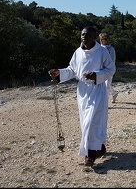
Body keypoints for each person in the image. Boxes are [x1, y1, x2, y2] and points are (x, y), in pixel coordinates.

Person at [48, 26, 116, 167]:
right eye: (83, 34)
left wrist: (96, 75)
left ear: (94, 36)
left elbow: (111, 69)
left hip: (97, 89)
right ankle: (99, 147)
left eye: (88, 34)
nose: (85, 36)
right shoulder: (78, 52)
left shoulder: (102, 51)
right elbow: (72, 70)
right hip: (83, 92)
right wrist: (59, 72)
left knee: (92, 121)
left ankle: (90, 155)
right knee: (86, 122)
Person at [99, 33, 118, 103]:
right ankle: (114, 93)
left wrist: (109, 69)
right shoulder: (98, 48)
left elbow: (112, 61)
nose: (101, 41)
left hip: (108, 70)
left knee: (107, 85)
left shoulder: (111, 49)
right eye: (100, 39)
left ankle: (105, 103)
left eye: (103, 39)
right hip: (100, 70)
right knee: (105, 84)